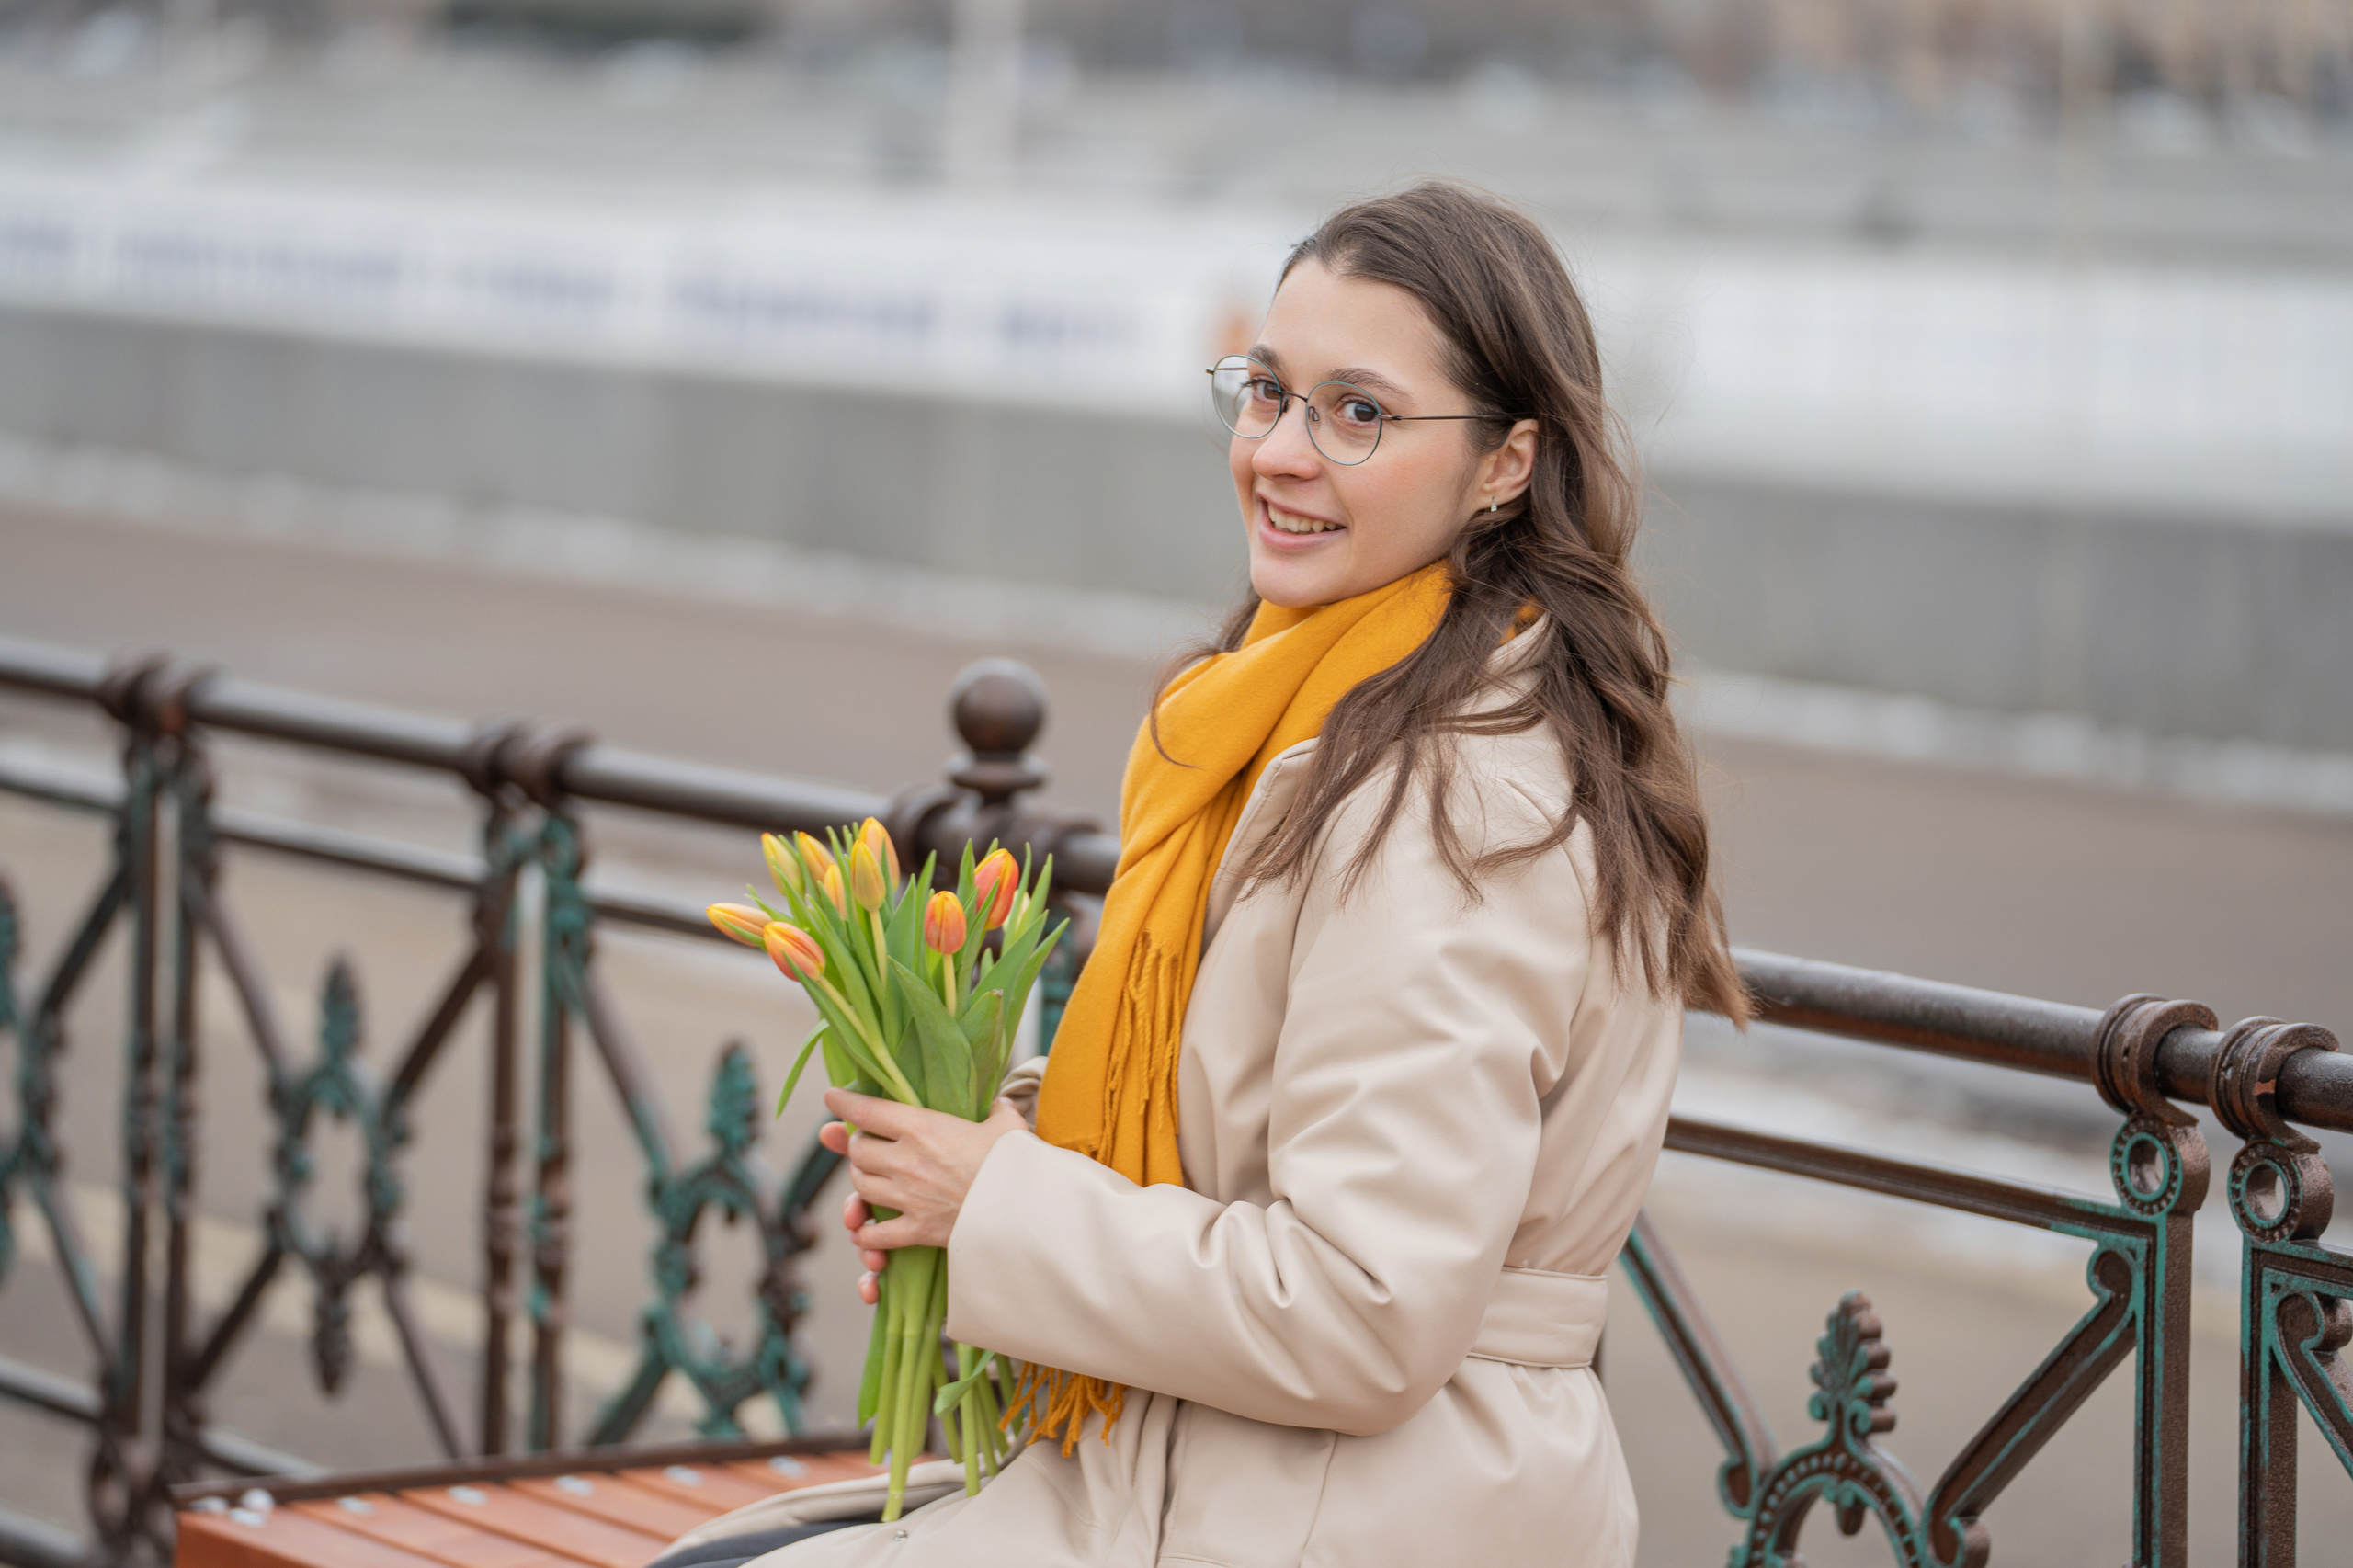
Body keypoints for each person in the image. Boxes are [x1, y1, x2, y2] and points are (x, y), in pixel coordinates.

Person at [662, 179, 1747, 1568]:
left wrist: (997, 1201)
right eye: (1268, 392)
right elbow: (1252, 1120)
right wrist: (979, 1148)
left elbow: (1365, 1307)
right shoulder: (1308, 716)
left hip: (1360, 1511)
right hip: (1219, 1469)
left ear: (1505, 462)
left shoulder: (1447, 794)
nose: (1280, 453)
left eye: (1359, 413)